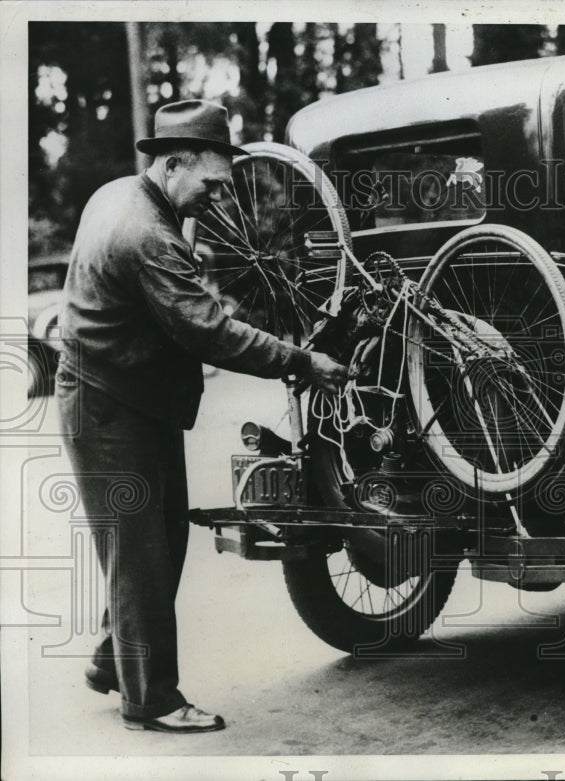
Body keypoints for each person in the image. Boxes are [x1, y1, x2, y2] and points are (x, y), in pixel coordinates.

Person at [56, 100, 347, 733]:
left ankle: (114, 659)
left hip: (129, 394)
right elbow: (210, 333)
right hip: (107, 406)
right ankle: (153, 700)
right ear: (173, 163)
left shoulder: (124, 194)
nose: (217, 197)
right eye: (211, 184)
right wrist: (301, 361)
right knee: (142, 556)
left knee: (159, 539)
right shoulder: (147, 235)